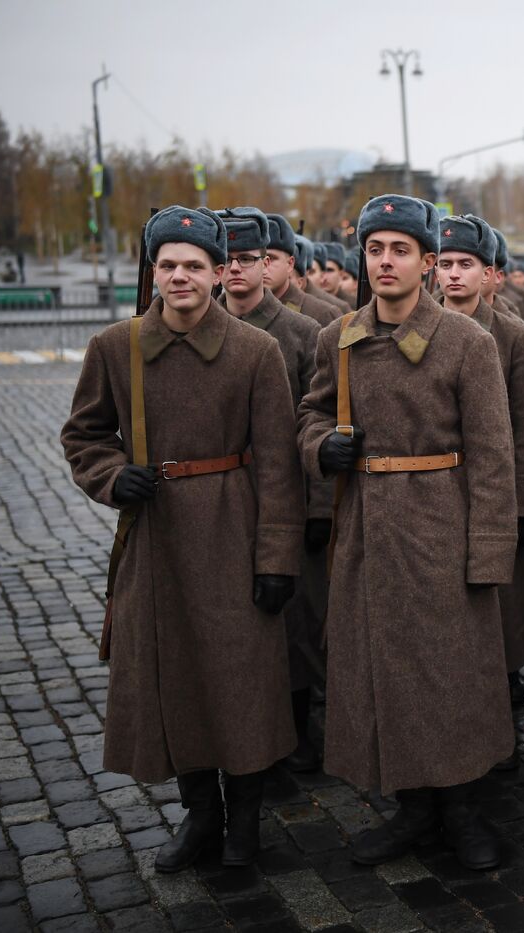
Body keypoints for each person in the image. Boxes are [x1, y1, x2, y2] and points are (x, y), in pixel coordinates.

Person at [61, 205, 304, 873]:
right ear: (152, 271)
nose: (179, 277)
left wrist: (277, 557)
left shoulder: (258, 351)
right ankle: (201, 817)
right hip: (157, 542)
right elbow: (83, 435)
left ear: (220, 271)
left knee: (243, 686)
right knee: (175, 683)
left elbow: (280, 463)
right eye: (167, 264)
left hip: (235, 535)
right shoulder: (116, 347)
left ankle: (245, 825)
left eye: (193, 265)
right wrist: (113, 476)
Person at [297, 195, 518, 870]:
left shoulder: (467, 342)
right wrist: (321, 448)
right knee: (382, 670)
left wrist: (487, 556)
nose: (385, 262)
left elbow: (494, 456)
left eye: (400, 250)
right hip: (367, 530)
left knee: (452, 673)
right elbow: (309, 415)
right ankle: (413, 807)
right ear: (361, 258)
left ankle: (461, 808)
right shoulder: (336, 338)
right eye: (374, 249)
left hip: (443, 528)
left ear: (426, 262)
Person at [215, 206, 330, 773]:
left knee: (296, 623)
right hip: (223, 503)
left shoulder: (302, 333)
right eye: (227, 260)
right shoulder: (200, 326)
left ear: (269, 265)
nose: (236, 270)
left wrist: (321, 508)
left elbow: (320, 420)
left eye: (248, 259)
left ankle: (298, 729)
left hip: (288, 498)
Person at [435, 214, 524, 737]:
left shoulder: (515, 336)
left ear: (489, 274)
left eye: (467, 265)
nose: (454, 275)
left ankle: (504, 687)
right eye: (446, 264)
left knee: (502, 606)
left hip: (496, 492)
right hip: (436, 492)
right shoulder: (416, 326)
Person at [265, 217, 339, 328]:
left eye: (271, 258)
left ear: (290, 264)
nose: (264, 265)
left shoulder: (323, 314)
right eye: (256, 258)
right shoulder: (241, 307)